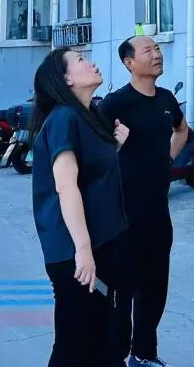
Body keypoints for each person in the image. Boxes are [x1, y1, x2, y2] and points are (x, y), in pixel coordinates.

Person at [30, 47, 131, 367]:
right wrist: (83, 250)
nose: (92, 63)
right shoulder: (63, 119)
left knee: (108, 335)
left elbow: (92, 175)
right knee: (75, 343)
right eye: (81, 60)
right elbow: (66, 186)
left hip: (106, 243)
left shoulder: (91, 116)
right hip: (76, 253)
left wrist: (116, 145)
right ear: (66, 79)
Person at [100, 36, 189, 367]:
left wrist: (166, 159)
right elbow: (94, 148)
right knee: (122, 294)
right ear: (129, 63)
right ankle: (115, 357)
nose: (157, 54)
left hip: (158, 214)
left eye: (158, 48)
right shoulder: (116, 103)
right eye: (148, 50)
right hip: (123, 216)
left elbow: (182, 130)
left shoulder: (166, 99)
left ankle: (144, 354)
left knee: (154, 290)